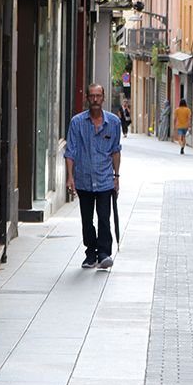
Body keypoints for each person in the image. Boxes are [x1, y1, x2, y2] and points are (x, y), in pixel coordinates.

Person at [64, 83, 122, 270]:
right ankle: (91, 253)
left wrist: (116, 176)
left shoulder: (113, 122)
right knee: (87, 219)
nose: (95, 99)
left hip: (105, 179)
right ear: (87, 98)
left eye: (98, 96)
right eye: (92, 96)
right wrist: (70, 177)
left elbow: (115, 151)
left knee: (104, 217)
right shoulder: (77, 122)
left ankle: (104, 253)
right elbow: (70, 151)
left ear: (103, 98)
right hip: (84, 179)